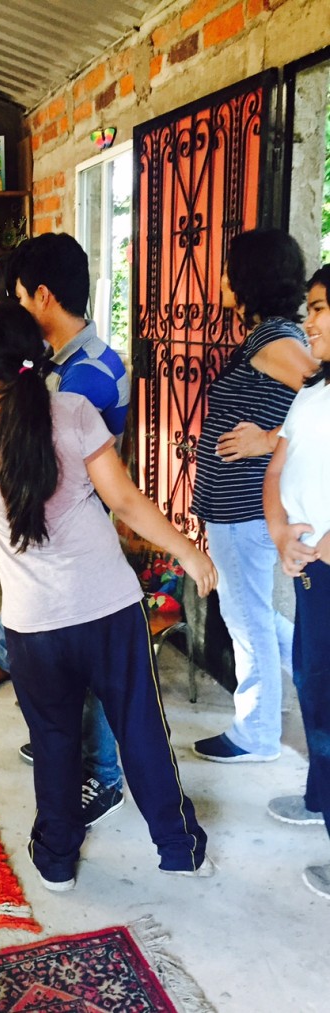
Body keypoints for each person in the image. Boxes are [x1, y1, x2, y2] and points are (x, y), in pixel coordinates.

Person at [0, 301, 217, 888]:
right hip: (109, 610)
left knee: (55, 740)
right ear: (34, 354)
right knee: (141, 729)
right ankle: (179, 850)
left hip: (33, 625)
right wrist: (188, 551)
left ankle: (59, 861)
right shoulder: (75, 412)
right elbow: (126, 502)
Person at [0, 233, 131, 831]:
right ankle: (64, 743)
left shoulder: (81, 378)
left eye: (16, 297)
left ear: (43, 296)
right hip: (53, 539)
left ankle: (104, 776)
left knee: (83, 669)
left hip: (74, 543)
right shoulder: (60, 366)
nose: (13, 308)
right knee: (58, 664)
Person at [191, 229, 317, 763]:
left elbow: (325, 395)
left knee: (246, 622)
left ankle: (257, 734)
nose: (220, 279)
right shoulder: (270, 336)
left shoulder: (273, 342)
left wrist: (267, 440)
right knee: (253, 614)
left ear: (249, 279)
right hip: (238, 510)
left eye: (229, 269)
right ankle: (316, 670)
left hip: (243, 512)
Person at [263, 264, 330, 900]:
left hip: (325, 562)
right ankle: (321, 797)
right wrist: (283, 535)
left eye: (317, 308)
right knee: (312, 682)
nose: (306, 321)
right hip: (313, 568)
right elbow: (278, 467)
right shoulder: (311, 394)